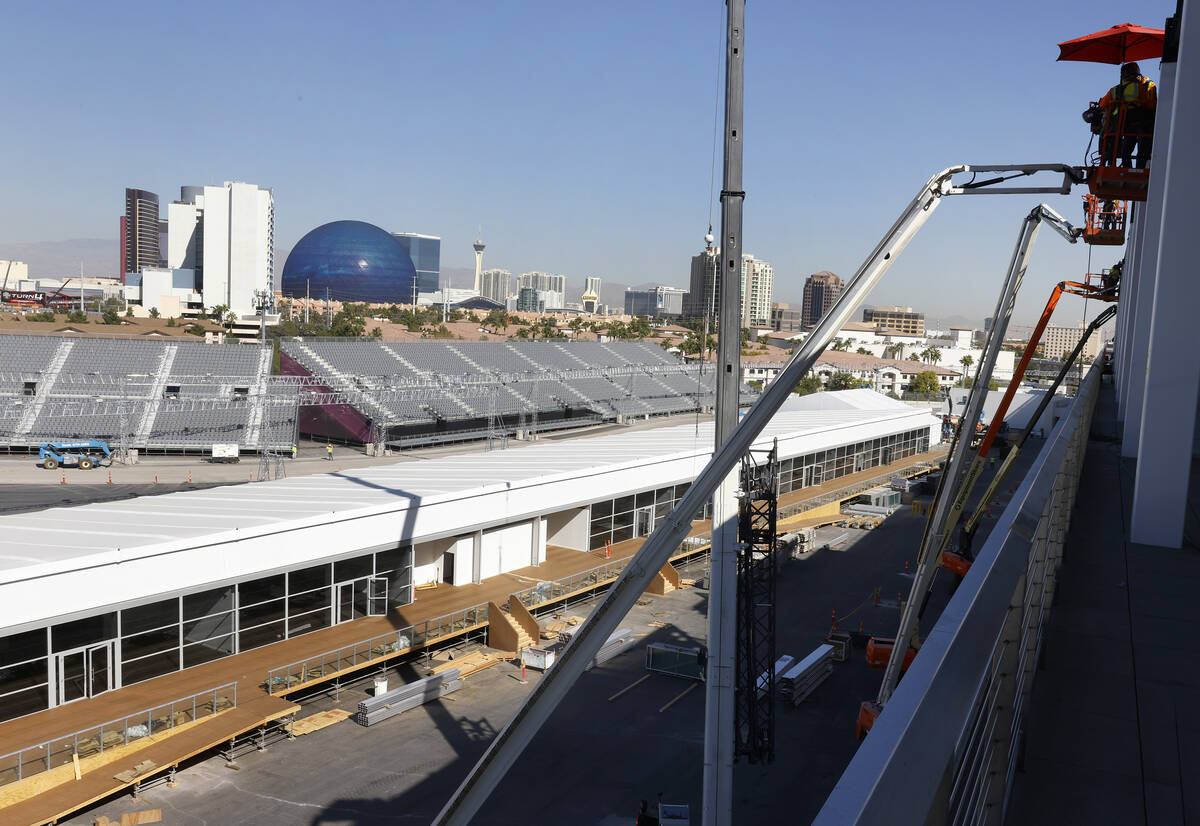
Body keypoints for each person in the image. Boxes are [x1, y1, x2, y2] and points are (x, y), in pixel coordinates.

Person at [1095, 62, 1157, 168]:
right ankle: (1140, 168)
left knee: (1126, 151)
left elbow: (1103, 105)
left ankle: (1125, 166)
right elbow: (1151, 104)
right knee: (1143, 150)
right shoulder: (1145, 86)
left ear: (1123, 75)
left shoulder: (1115, 90)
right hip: (1144, 123)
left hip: (1125, 124)